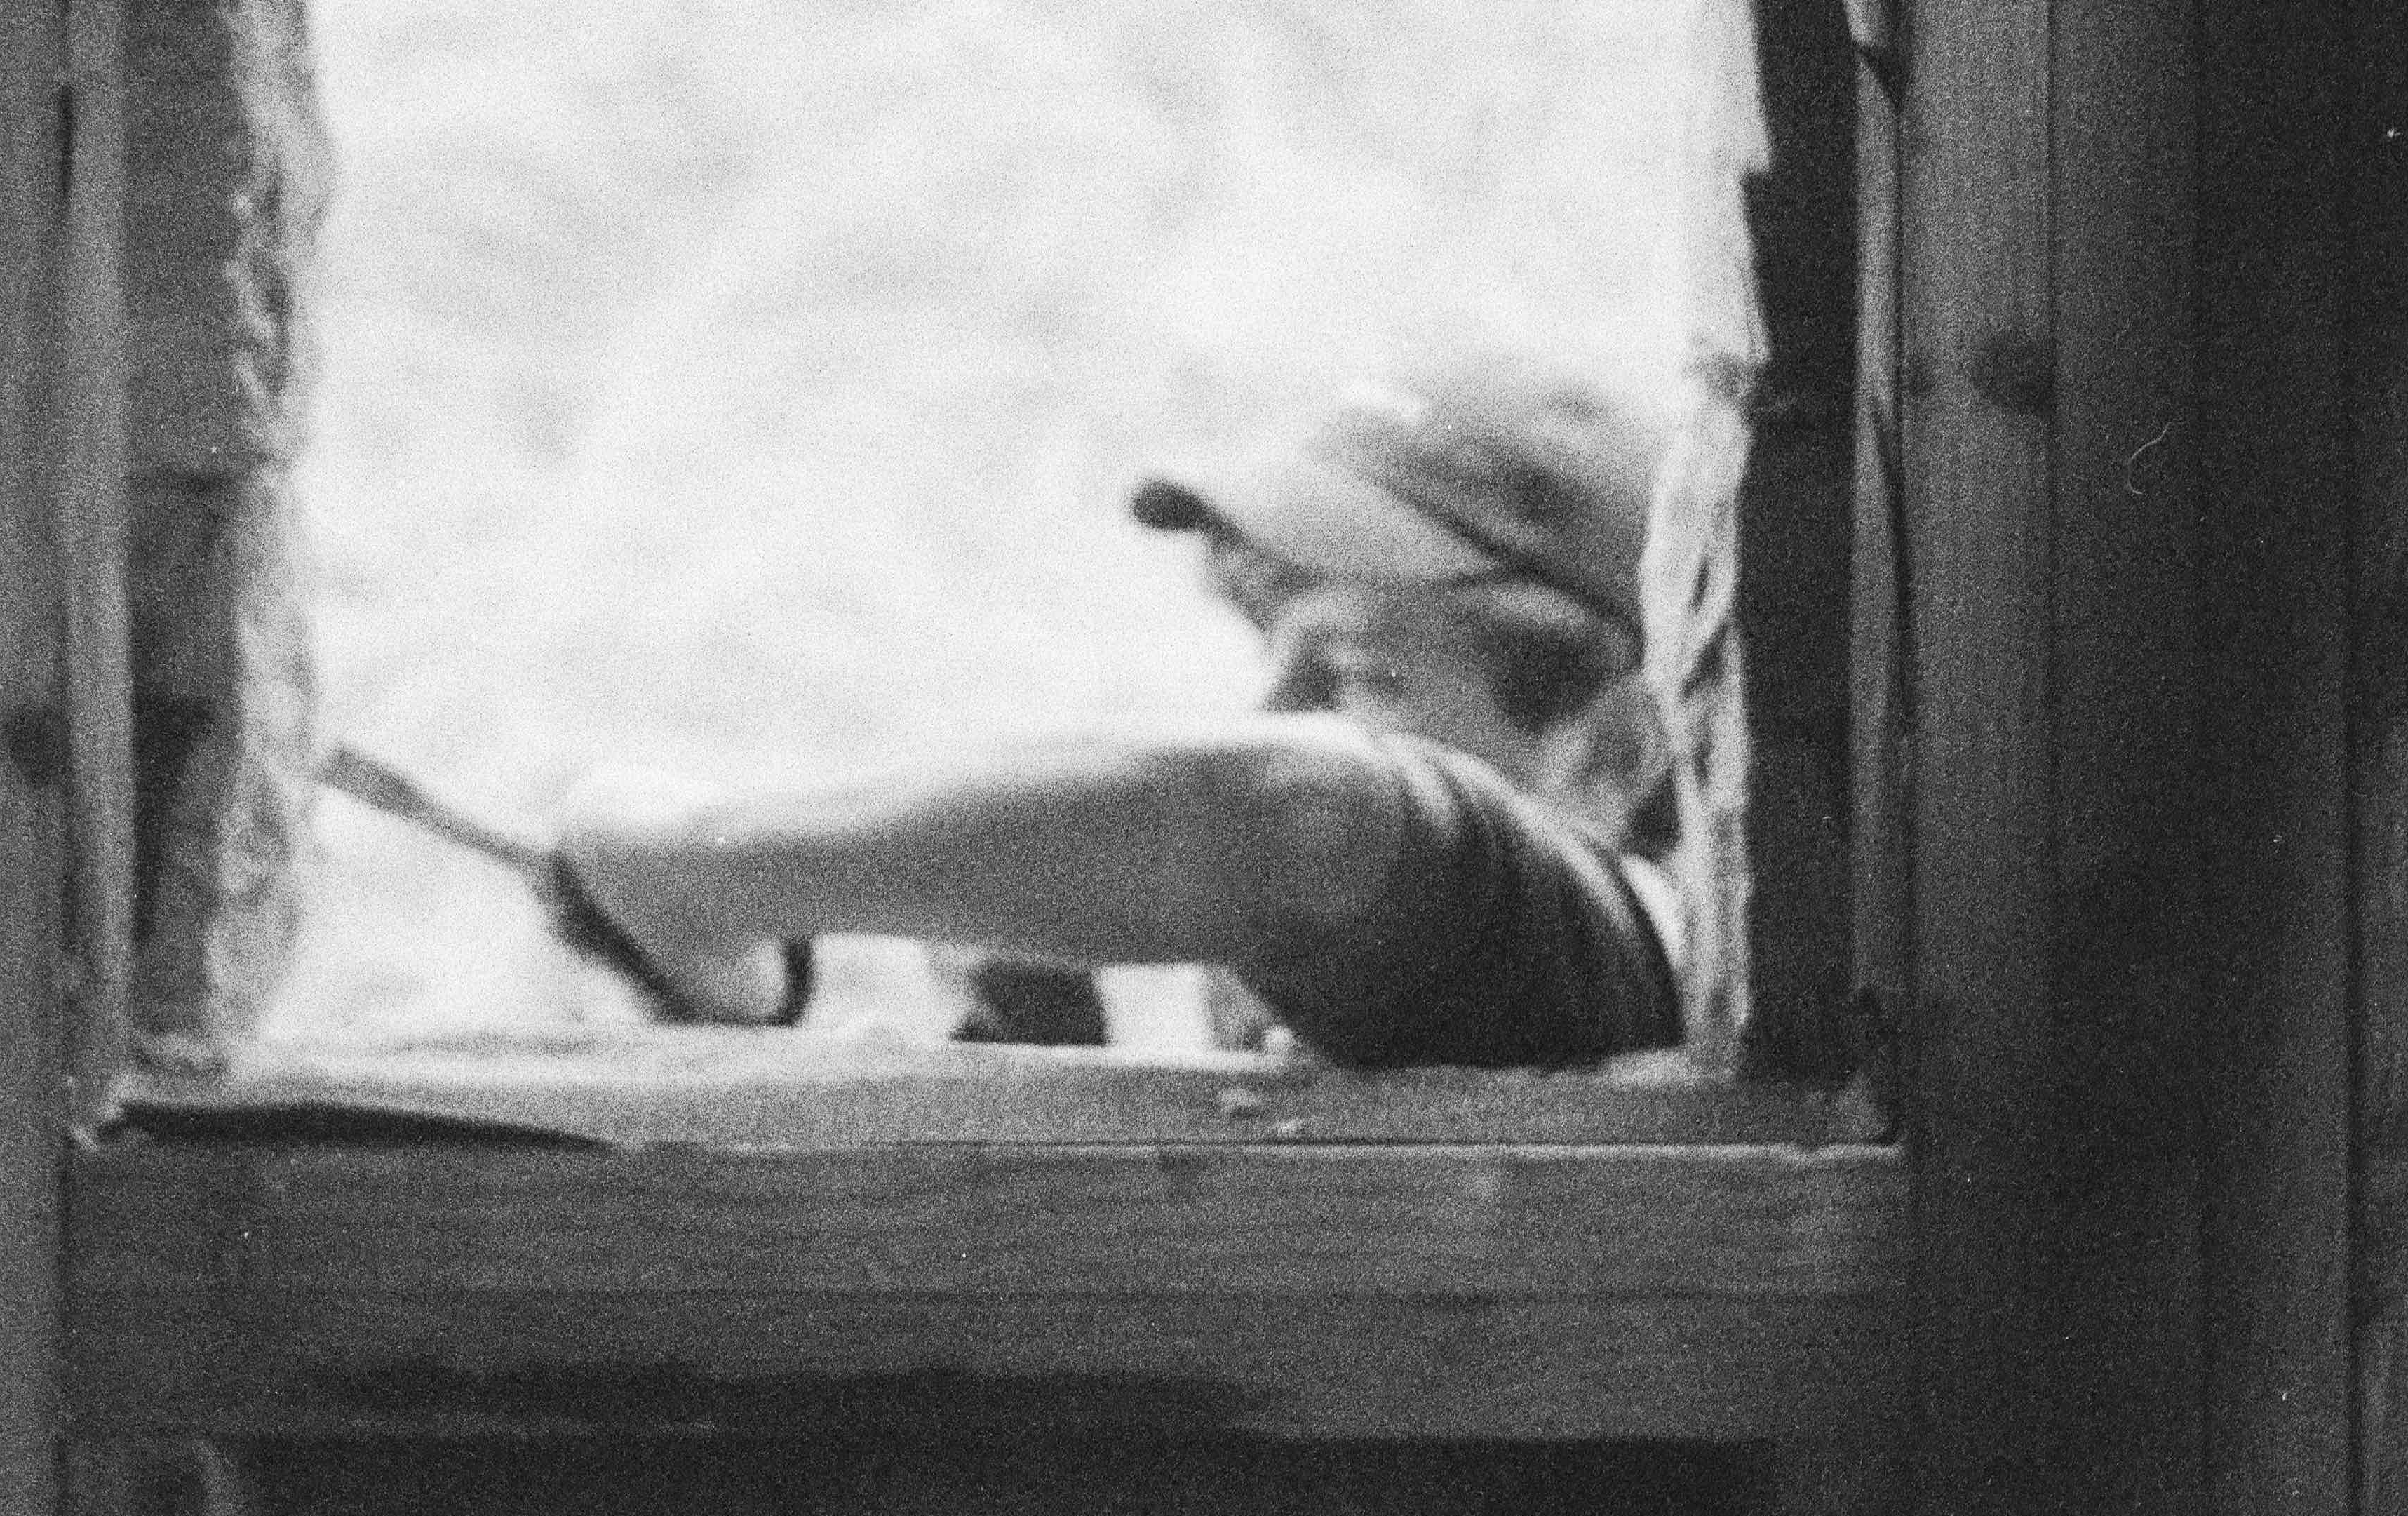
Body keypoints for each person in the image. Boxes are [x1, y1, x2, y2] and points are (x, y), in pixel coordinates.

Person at [547, 351, 1688, 1068]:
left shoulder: (1638, 944)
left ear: (1613, 753)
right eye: (1271, 650)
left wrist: (698, 869)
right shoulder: (1229, 1000)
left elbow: (1304, 817)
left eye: (1365, 675)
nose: (1275, 715)